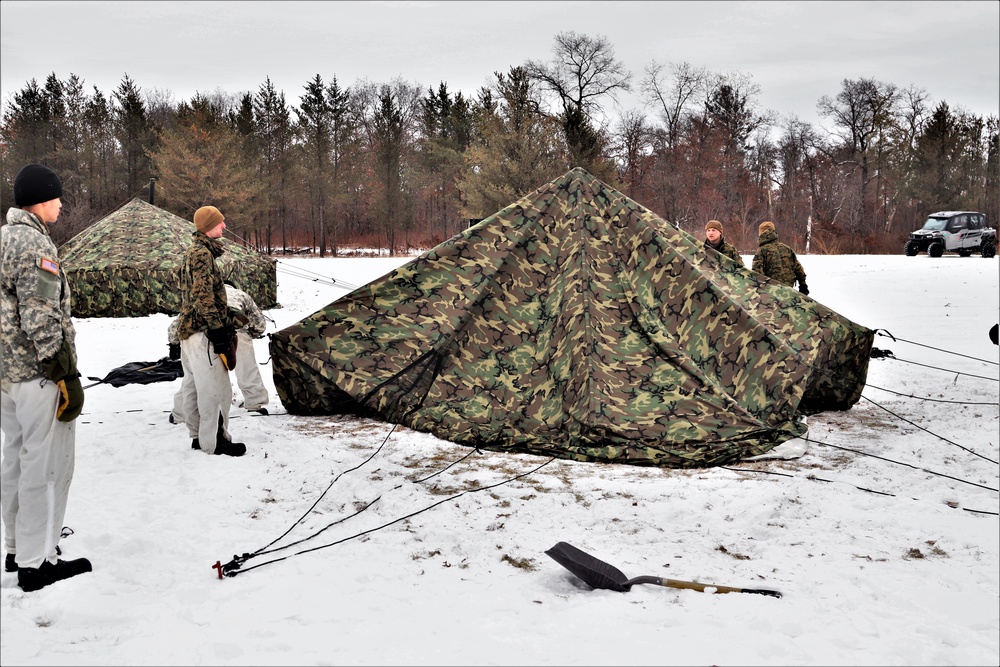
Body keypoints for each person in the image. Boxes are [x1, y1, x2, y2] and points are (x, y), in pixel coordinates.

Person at [1, 164, 93, 591]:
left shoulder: (3, 239)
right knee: (45, 466)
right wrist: (63, 373)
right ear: (40, 199)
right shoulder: (36, 245)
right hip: (38, 374)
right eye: (56, 197)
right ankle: (37, 563)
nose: (60, 204)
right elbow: (40, 311)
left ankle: (17, 547)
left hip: (6, 375)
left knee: (16, 459)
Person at [176, 205, 246, 457]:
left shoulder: (194, 252)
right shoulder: (202, 255)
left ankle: (197, 437)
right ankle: (215, 442)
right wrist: (217, 329)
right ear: (207, 227)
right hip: (203, 331)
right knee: (215, 389)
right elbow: (203, 295)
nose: (224, 226)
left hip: (190, 330)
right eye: (220, 223)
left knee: (193, 386)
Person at [168, 279, 269, 425]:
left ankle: (179, 414)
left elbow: (177, 323)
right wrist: (248, 336)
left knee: (194, 377)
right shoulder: (241, 295)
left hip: (199, 334)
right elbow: (259, 324)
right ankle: (255, 403)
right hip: (233, 330)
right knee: (247, 368)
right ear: (233, 286)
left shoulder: (198, 295)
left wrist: (174, 344)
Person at [752, 221, 809, 295]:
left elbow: (757, 273)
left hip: (771, 293)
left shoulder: (762, 250)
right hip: (788, 292)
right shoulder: (787, 249)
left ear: (761, 234)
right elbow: (799, 269)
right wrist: (803, 285)